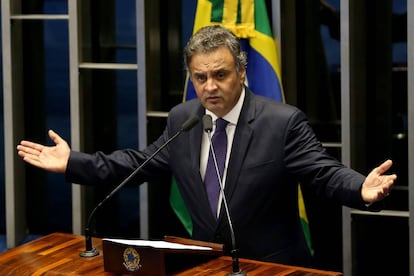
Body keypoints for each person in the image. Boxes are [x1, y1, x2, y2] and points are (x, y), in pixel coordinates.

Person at [16, 25, 396, 267]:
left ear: (242, 73)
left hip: (269, 267)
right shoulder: (185, 119)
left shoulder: (282, 122)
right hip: (207, 266)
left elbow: (322, 172)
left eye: (220, 74)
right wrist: (72, 162)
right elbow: (137, 163)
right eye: (200, 77)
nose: (210, 87)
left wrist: (360, 188)